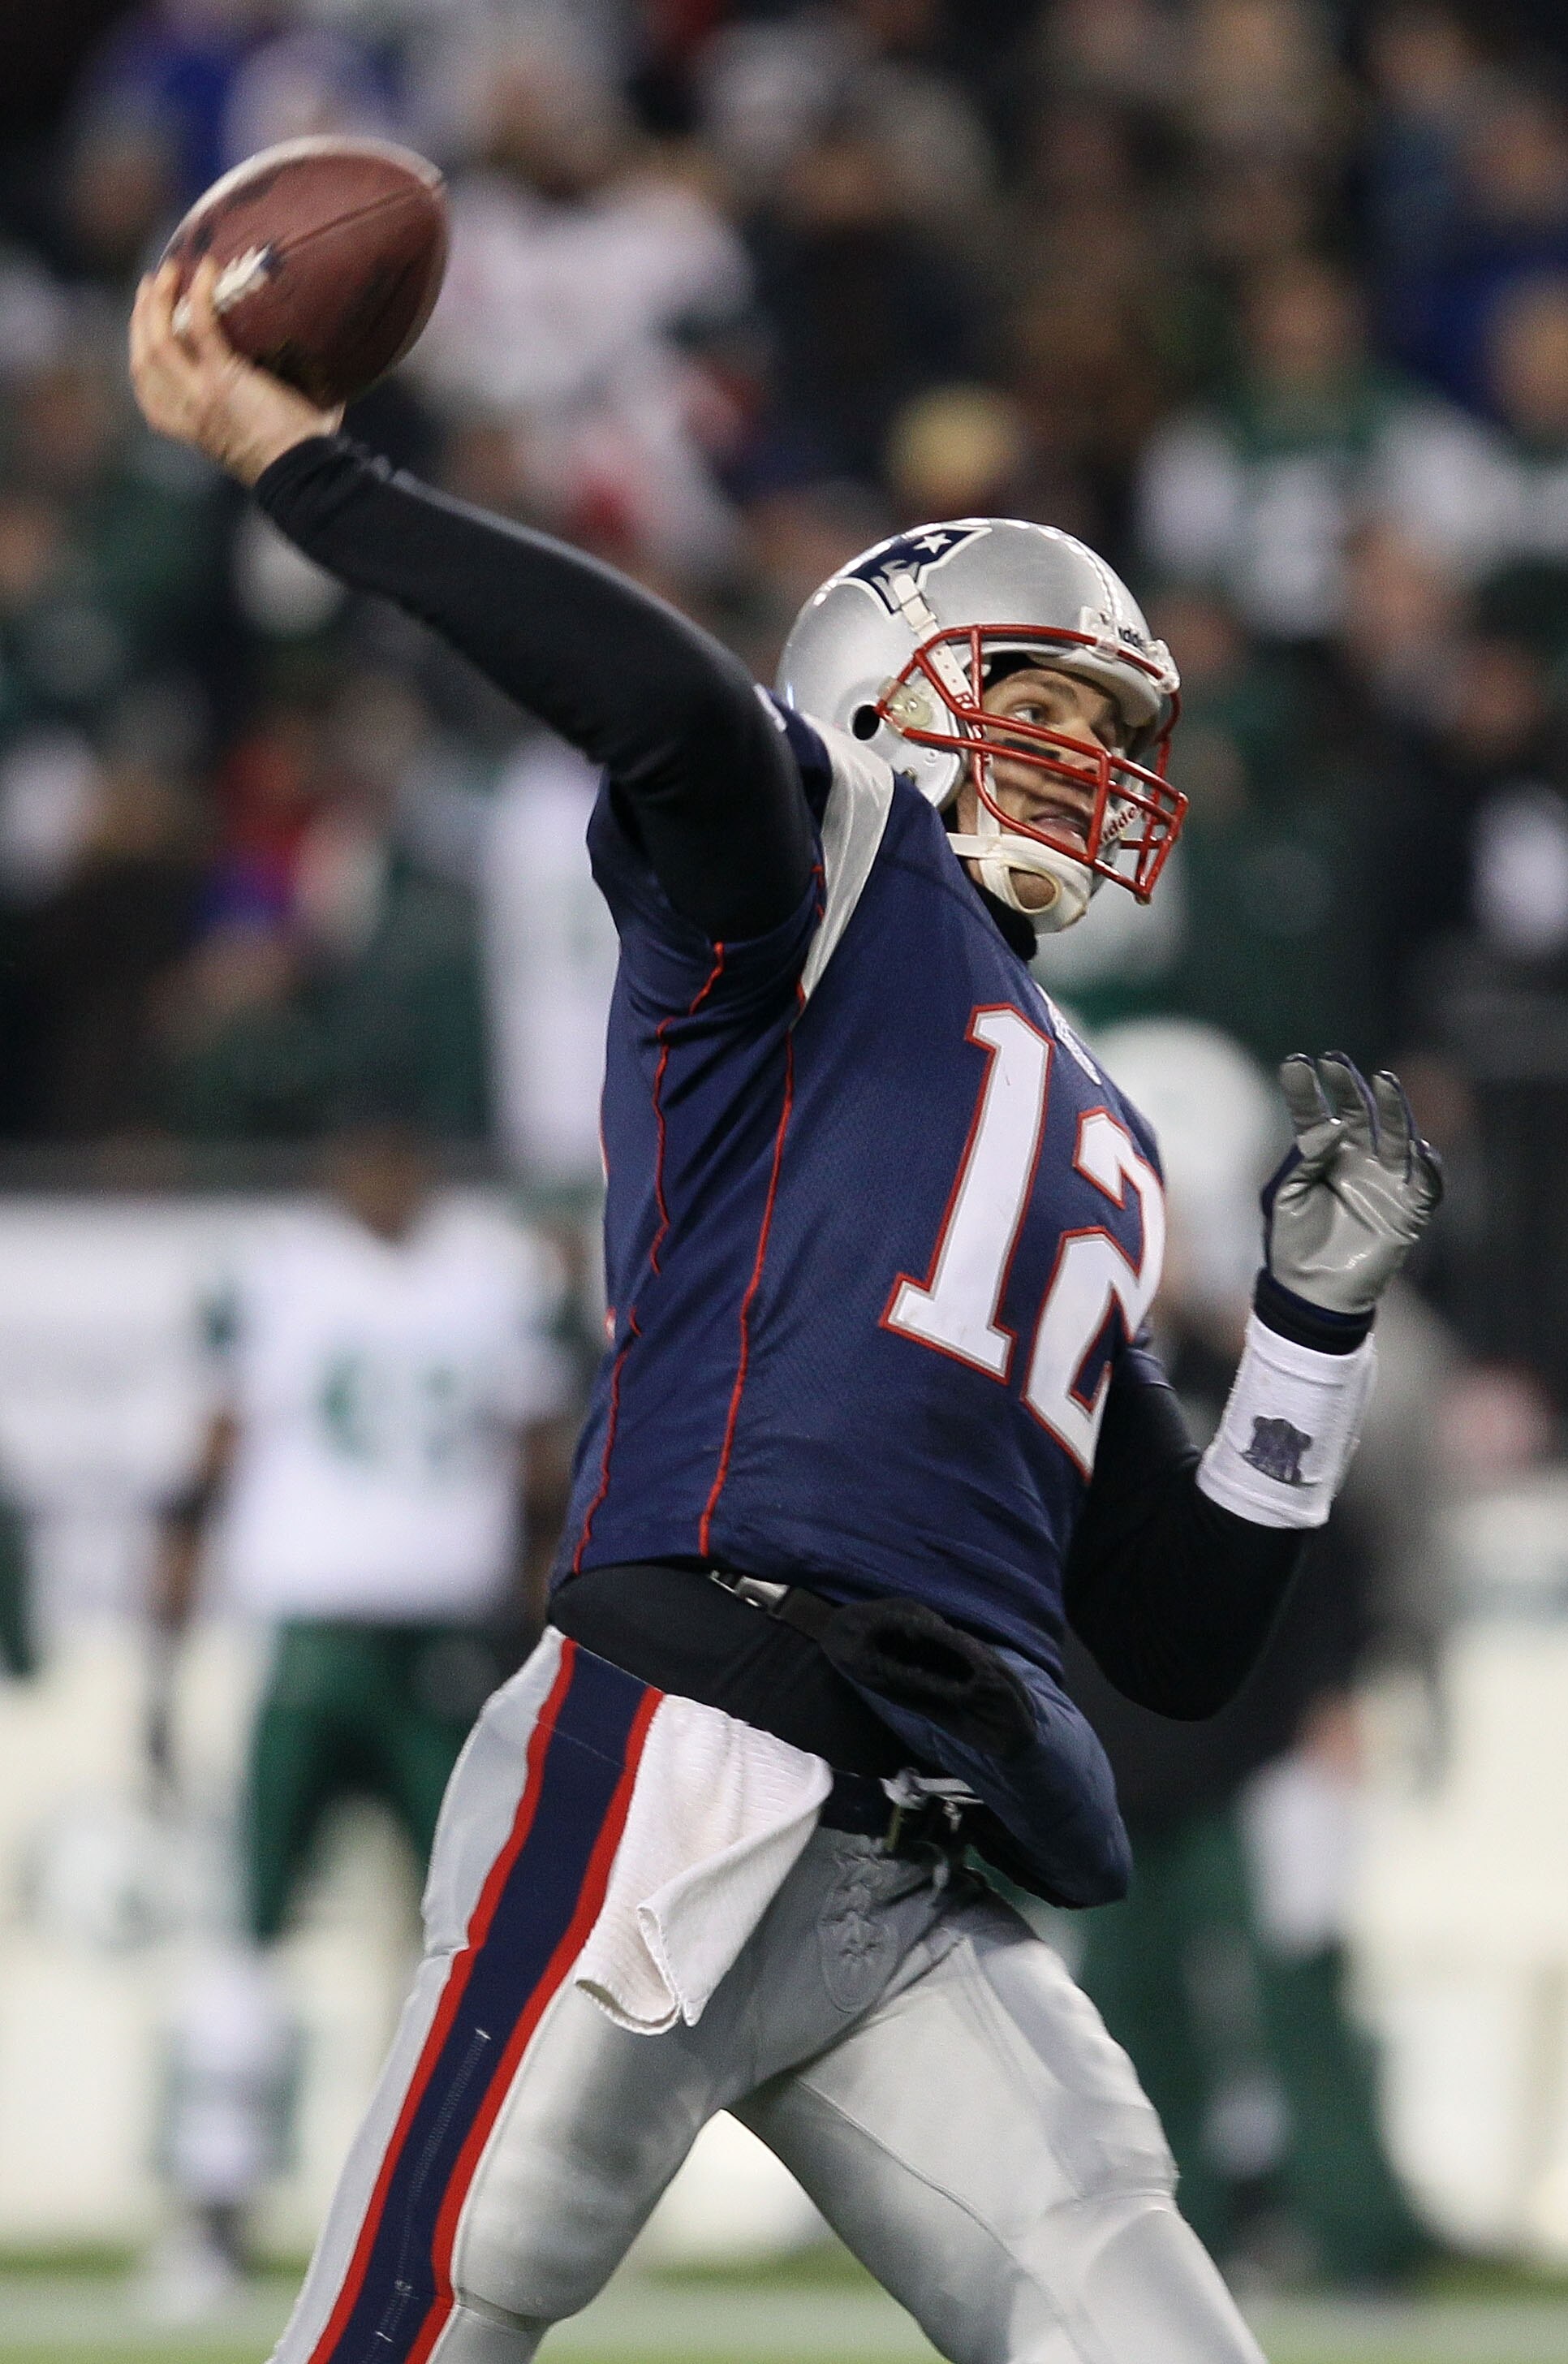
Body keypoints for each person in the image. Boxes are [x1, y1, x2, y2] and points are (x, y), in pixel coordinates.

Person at [128, 257, 1442, 2364]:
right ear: (886, 691)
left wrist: (1306, 1332)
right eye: (1044, 706)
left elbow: (1182, 1632)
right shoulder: (822, 888)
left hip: (910, 1853)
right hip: (673, 1749)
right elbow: (655, 701)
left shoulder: (1094, 1123)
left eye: (1114, 732)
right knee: (410, 2330)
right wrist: (316, 471)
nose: (1091, 764)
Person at [145, 1115, 573, 2311]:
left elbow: (543, 1482)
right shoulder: (281, 1270)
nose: (387, 1173)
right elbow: (205, 1475)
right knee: (250, 1919)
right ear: (333, 1163)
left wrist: (555, 1641)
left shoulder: (491, 1274)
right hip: (314, 1642)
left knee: (476, 1932)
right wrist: (163, 1665)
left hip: (444, 1645)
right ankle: (216, 2210)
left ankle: (473, 2207)